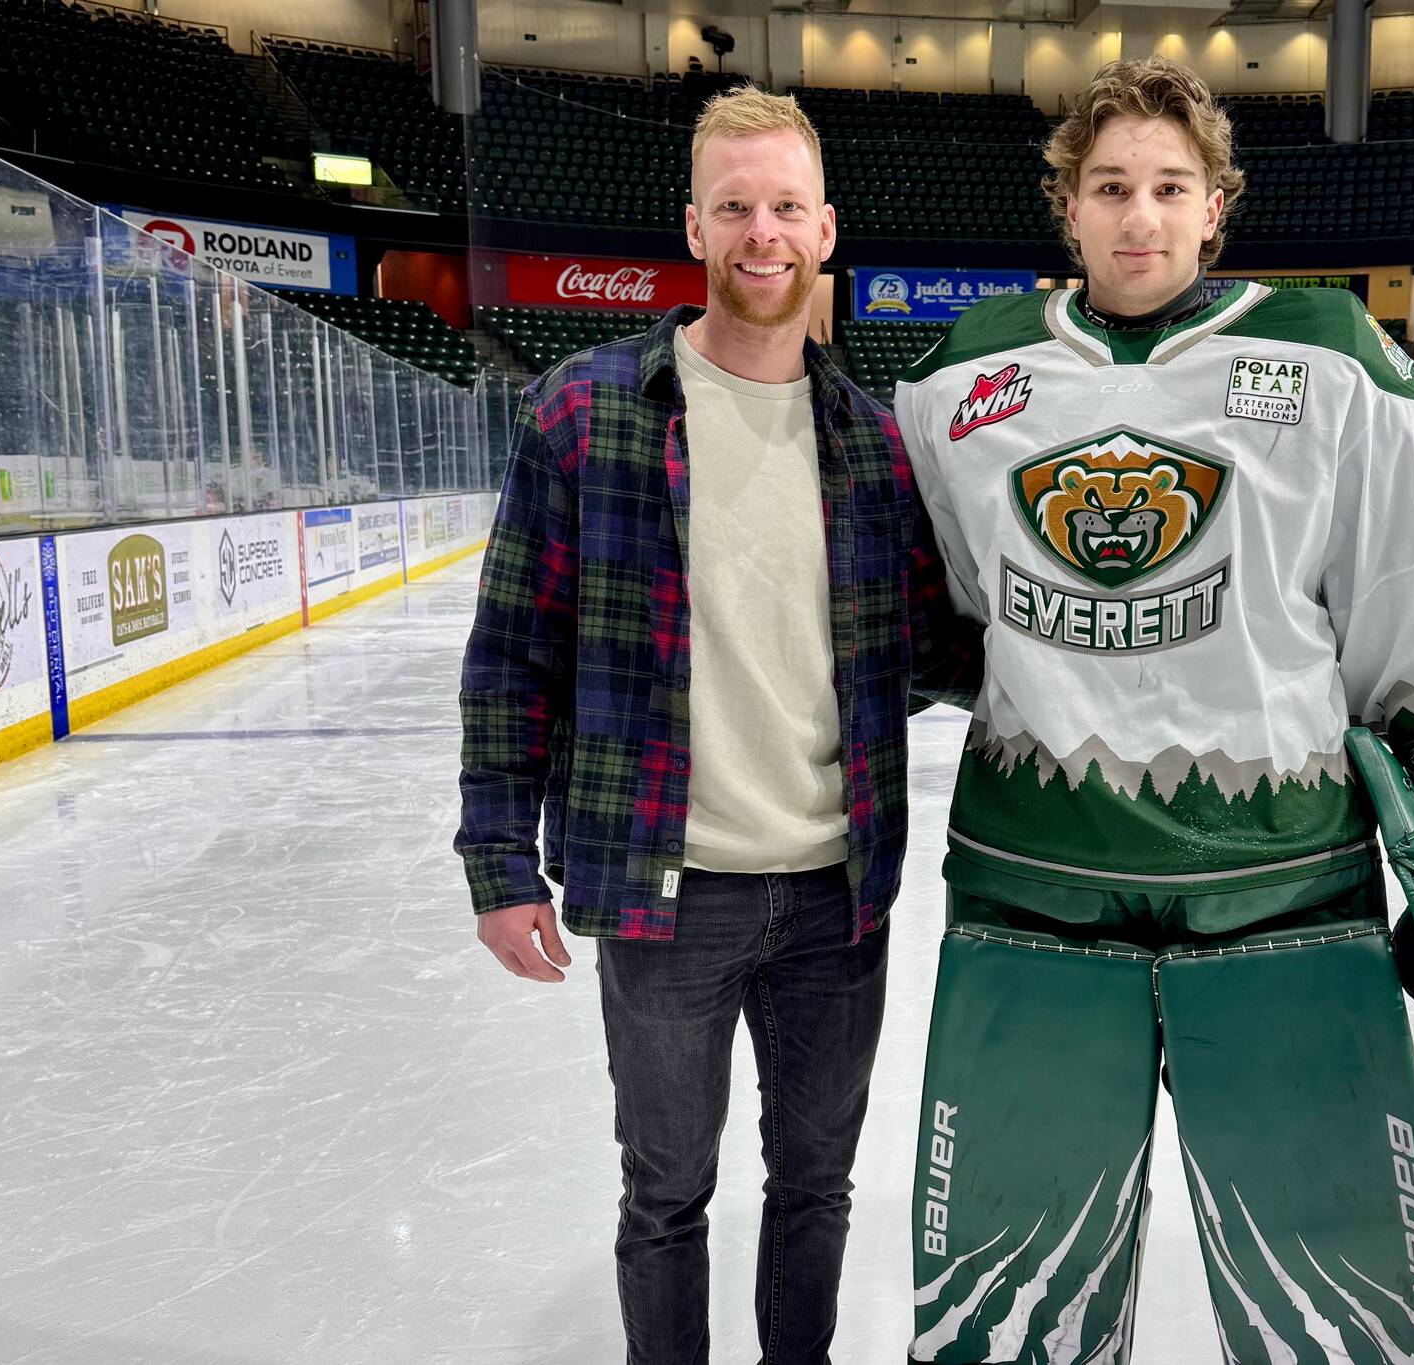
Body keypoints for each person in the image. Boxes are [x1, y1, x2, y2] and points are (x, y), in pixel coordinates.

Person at [892, 58, 1414, 1364]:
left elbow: (1413, 604)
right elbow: (921, 611)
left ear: (1216, 208)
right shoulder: (961, 380)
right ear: (1068, 210)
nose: (1137, 216)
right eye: (1109, 188)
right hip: (1030, 902)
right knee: (998, 1321)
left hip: (1290, 903)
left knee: (1346, 1318)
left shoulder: (1331, 359)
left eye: (1168, 187)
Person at [455, 87, 975, 1365]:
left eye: (786, 206)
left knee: (814, 1189)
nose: (762, 232)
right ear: (694, 225)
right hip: (662, 891)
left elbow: (925, 650)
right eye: (735, 205)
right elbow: (512, 653)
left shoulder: (873, 441)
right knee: (665, 1195)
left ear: (825, 230)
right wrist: (496, 862)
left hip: (831, 896)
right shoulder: (586, 413)